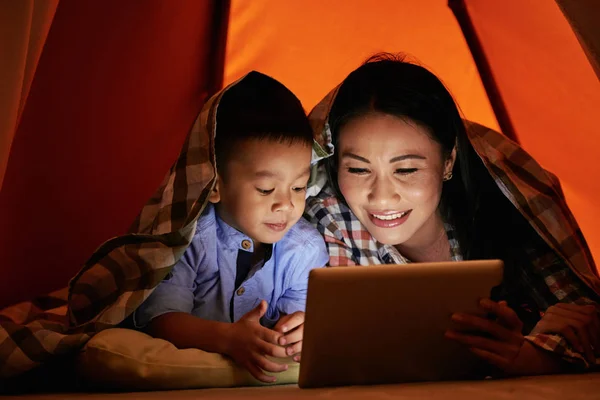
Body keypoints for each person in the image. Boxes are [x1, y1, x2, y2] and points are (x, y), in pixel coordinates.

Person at [305, 53, 600, 377]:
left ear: (448, 162)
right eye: (359, 169)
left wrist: (530, 353)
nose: (382, 195)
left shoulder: (506, 203)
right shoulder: (327, 219)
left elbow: (584, 319)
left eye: (406, 169)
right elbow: (342, 345)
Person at [134, 72, 328, 383]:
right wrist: (227, 338)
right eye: (266, 189)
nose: (286, 205)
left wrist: (300, 328)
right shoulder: (188, 238)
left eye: (299, 187)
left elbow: (302, 313)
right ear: (213, 184)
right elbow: (161, 319)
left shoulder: (305, 248)